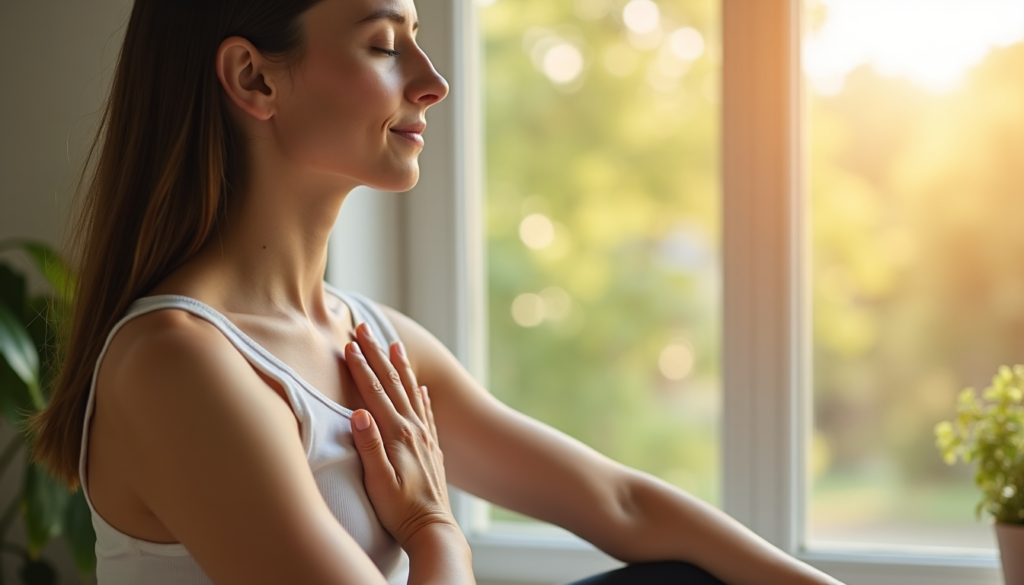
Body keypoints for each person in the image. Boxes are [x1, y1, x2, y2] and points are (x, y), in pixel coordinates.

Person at [28, 1, 845, 584]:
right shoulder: (176, 366)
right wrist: (430, 528)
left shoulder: (375, 341)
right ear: (254, 79)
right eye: (386, 44)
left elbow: (620, 502)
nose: (432, 82)